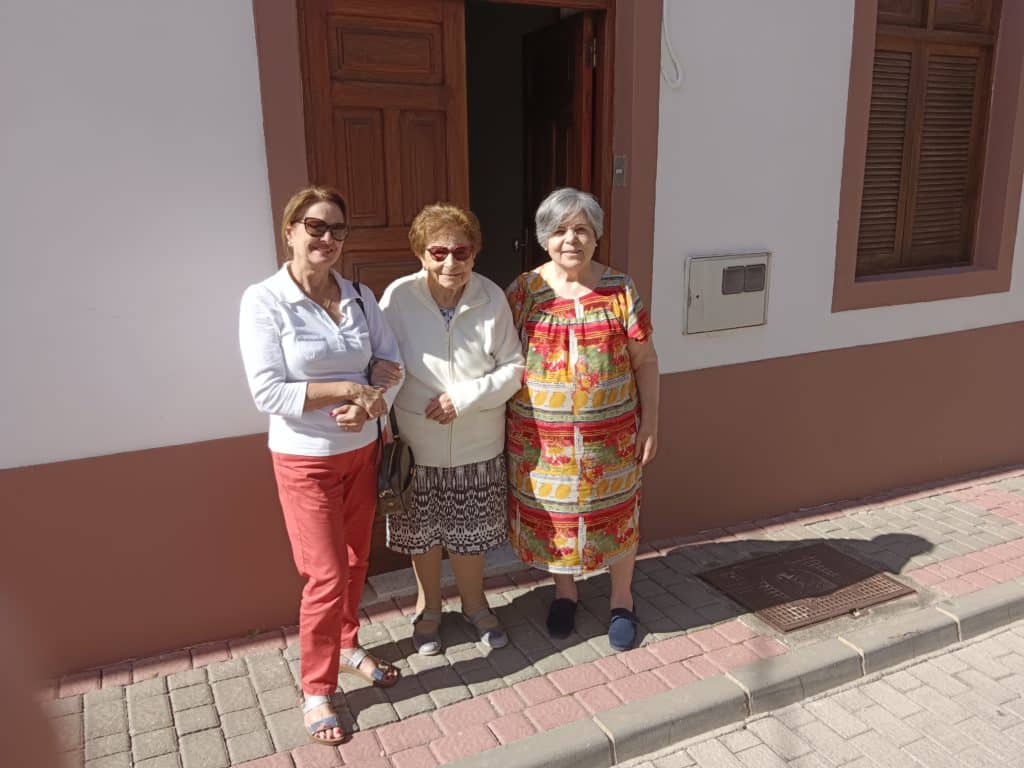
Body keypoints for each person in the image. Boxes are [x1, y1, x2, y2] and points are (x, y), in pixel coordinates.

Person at [238, 186, 405, 746]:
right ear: (289, 230)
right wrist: (347, 390)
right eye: (315, 227)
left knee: (357, 561)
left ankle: (348, 642)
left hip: (362, 453)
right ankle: (316, 688)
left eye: (336, 230)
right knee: (326, 574)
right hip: (304, 459)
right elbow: (267, 391)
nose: (327, 239)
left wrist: (374, 401)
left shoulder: (359, 294)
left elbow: (390, 362)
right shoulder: (264, 301)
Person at [506, 187, 660, 652]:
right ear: (543, 238)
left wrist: (650, 423)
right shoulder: (523, 291)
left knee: (616, 515)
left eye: (582, 229)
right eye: (559, 230)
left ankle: (621, 599)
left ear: (596, 236)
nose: (570, 239)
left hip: (608, 439)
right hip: (540, 440)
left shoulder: (619, 288)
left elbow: (645, 360)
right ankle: (566, 593)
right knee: (557, 517)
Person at [379, 204, 524, 655]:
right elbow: (382, 364)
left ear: (474, 254)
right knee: (422, 532)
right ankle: (430, 608)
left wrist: (461, 399)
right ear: (421, 253)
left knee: (469, 533)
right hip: (417, 443)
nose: (450, 263)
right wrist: (379, 417)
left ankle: (476, 605)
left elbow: (514, 368)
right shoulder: (398, 298)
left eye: (461, 252)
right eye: (438, 251)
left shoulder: (490, 297)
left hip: (476, 440)